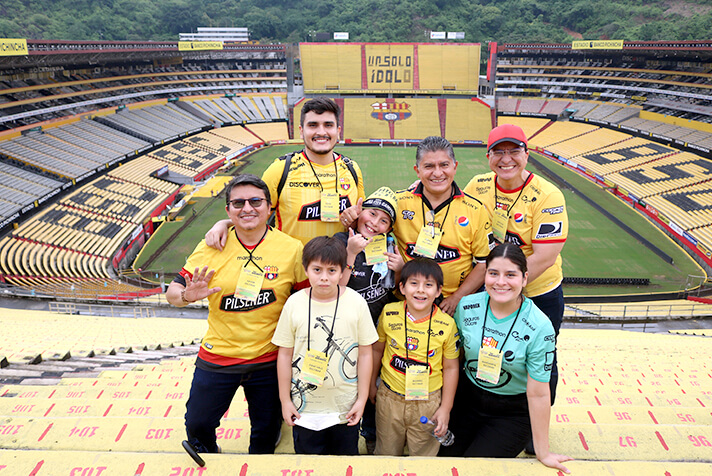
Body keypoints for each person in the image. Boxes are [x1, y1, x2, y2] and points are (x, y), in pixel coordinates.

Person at [165, 174, 307, 455]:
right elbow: (172, 293)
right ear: (228, 210)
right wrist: (185, 296)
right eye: (238, 203)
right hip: (218, 355)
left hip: (268, 359)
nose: (247, 208)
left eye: (256, 201)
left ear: (269, 207)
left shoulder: (291, 249)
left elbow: (305, 299)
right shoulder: (210, 246)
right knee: (197, 424)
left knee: (265, 434)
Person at [438, 243, 572, 473]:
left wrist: (543, 451)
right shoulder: (467, 307)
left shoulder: (540, 326)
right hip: (468, 400)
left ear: (525, 278)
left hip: (511, 413)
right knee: (441, 462)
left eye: (510, 275)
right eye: (493, 274)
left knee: (473, 469)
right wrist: (445, 406)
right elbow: (454, 360)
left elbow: (539, 393)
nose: (500, 282)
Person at [463, 123, 568, 406]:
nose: (506, 159)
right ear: (488, 157)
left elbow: (545, 256)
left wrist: (503, 288)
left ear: (527, 154)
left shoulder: (548, 195)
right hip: (495, 289)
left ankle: (536, 428)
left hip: (538, 292)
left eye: (514, 151)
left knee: (541, 359)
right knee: (485, 350)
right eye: (498, 152)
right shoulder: (478, 185)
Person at [342, 136, 494, 316]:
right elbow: (370, 227)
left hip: (451, 306)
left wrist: (457, 298)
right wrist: (350, 219)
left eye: (444, 165)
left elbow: (484, 263)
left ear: (455, 166)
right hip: (402, 303)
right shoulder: (399, 202)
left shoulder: (476, 209)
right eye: (429, 166)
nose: (437, 173)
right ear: (417, 170)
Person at [206, 97, 365, 248]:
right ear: (301, 131)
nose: (321, 132)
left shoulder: (352, 169)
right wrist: (223, 224)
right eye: (313, 125)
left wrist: (354, 220)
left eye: (328, 125)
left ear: (338, 130)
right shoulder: (280, 170)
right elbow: (254, 213)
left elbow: (366, 221)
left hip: (338, 272)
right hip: (290, 271)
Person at [272, 236, 378, 455]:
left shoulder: (356, 302)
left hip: (345, 409)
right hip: (305, 411)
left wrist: (362, 399)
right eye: (317, 270)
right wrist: (285, 400)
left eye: (332, 271)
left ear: (342, 271)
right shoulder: (294, 303)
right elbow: (284, 354)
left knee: (344, 462)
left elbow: (366, 354)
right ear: (306, 269)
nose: (324, 278)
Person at [335, 186, 404, 453]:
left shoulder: (389, 248)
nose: (374, 223)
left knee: (374, 385)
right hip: (344, 332)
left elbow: (396, 293)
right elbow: (333, 290)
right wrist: (351, 253)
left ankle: (371, 431)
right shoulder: (340, 242)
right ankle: (345, 433)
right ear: (359, 213)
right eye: (371, 214)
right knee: (345, 384)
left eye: (383, 220)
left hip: (376, 335)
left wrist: (400, 271)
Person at [371, 257, 459, 456]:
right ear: (401, 288)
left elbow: (451, 368)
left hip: (428, 402)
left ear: (438, 291)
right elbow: (377, 350)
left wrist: (445, 408)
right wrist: (370, 384)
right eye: (414, 283)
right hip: (389, 397)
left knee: (423, 457)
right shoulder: (389, 313)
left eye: (428, 285)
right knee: (386, 453)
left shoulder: (446, 324)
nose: (420, 290)